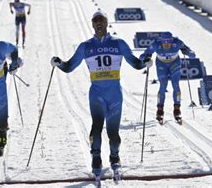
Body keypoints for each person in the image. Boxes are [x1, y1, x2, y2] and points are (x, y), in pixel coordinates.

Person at [50, 11, 150, 179]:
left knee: (113, 132)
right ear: (92, 24)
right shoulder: (85, 46)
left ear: (106, 23)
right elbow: (69, 67)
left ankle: (114, 156)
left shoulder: (119, 43)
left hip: (115, 94)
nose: (98, 24)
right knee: (96, 127)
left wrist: (144, 62)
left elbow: (135, 63)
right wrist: (59, 63)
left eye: (101, 21)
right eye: (95, 21)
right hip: (96, 93)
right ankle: (96, 159)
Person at [139, 31, 195, 124]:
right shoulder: (156, 44)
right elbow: (142, 56)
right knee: (163, 85)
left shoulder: (177, 42)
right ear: (161, 41)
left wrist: (187, 52)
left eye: (168, 43)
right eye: (165, 44)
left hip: (175, 63)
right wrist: (146, 58)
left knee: (175, 84)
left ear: (171, 41)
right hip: (161, 64)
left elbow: (192, 54)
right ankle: (160, 110)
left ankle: (177, 109)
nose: (167, 45)